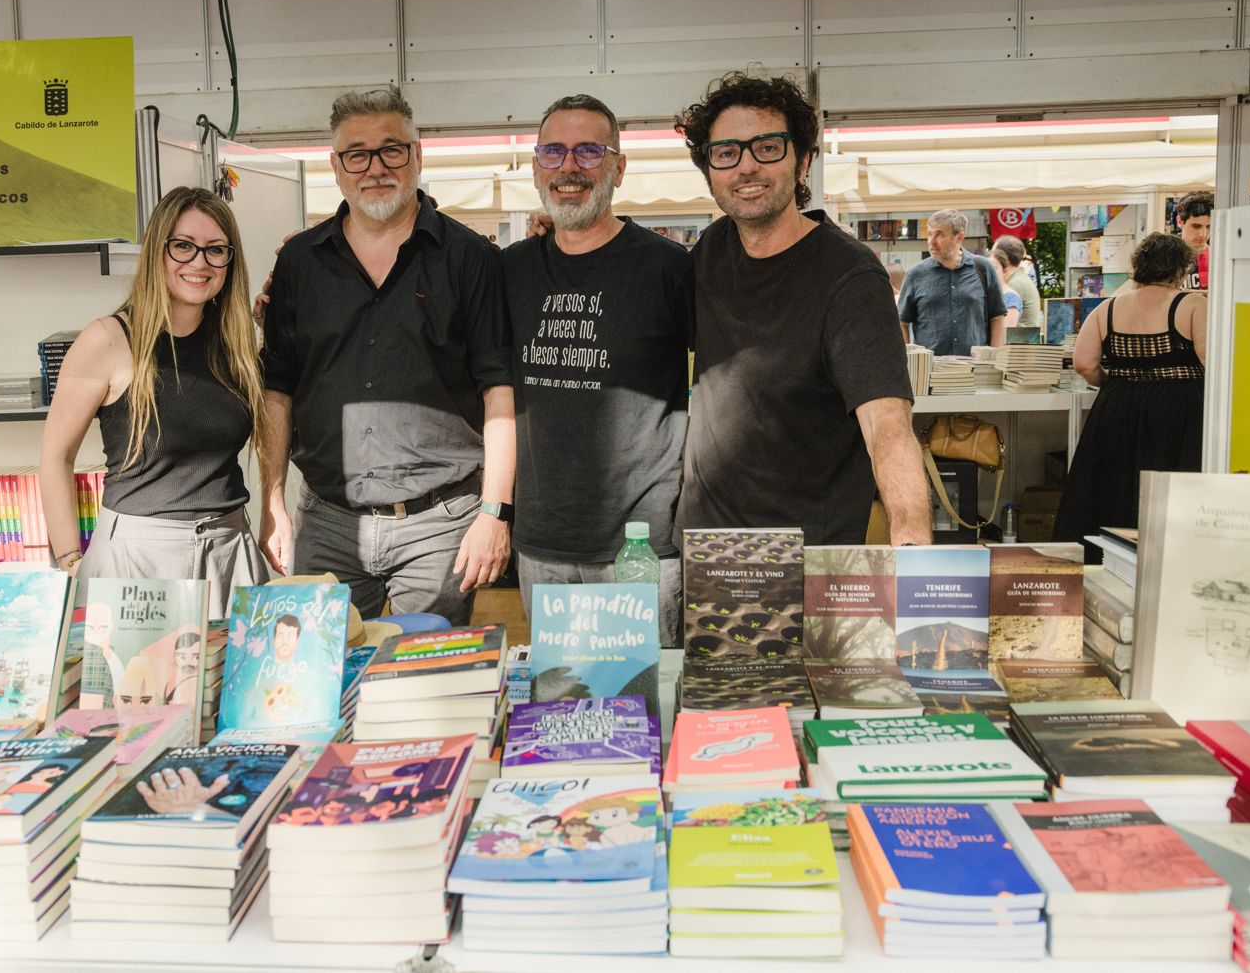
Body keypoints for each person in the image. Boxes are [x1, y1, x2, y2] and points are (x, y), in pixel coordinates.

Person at [259, 89, 514, 625]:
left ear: (417, 156)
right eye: (357, 154)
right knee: (323, 682)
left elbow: (498, 390)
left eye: (391, 150)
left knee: (430, 685)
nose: (375, 168)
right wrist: (273, 500)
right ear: (336, 166)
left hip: (441, 525)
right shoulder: (299, 264)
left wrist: (494, 511)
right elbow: (276, 388)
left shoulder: (470, 259)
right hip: (327, 523)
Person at [673, 72, 931, 547]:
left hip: (804, 555)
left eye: (767, 147)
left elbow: (887, 424)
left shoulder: (849, 276)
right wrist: (569, 237)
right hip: (707, 549)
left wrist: (912, 543)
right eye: (727, 153)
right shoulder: (712, 247)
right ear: (709, 170)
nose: (746, 167)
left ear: (803, 161)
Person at [502, 94, 692, 646]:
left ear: (618, 167)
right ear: (537, 167)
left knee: (646, 709)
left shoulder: (669, 268)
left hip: (642, 547)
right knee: (564, 708)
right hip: (542, 545)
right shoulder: (510, 270)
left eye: (588, 151)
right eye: (553, 152)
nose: (568, 167)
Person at [38, 186, 267, 622]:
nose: (199, 262)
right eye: (183, 246)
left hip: (229, 553)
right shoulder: (107, 339)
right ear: (157, 251)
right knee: (140, 690)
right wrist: (70, 559)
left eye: (215, 250)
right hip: (137, 561)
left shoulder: (237, 346)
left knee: (232, 690)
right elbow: (55, 456)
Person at [1053, 233, 1207, 557]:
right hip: (1179, 409)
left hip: (1117, 406)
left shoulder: (1107, 308)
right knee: (1169, 496)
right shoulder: (1191, 303)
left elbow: (1083, 363)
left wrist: (1118, 384)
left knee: (1113, 489)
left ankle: (1106, 563)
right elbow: (1214, 362)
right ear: (1179, 269)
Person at [897, 209, 1007, 355]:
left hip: (975, 370)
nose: (931, 242)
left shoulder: (983, 269)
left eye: (939, 234)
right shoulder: (916, 274)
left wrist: (994, 359)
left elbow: (997, 317)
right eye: (929, 234)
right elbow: (901, 322)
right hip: (931, 371)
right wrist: (907, 360)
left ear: (959, 237)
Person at [992, 234, 1042, 331]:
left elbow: (1003, 325)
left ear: (1001, 257)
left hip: (1019, 343)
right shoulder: (1019, 279)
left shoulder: (1015, 284)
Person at [1175, 190, 1214, 291]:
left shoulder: (1220, 259)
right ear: (1180, 221)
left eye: (1209, 226)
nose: (1203, 234)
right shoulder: (1164, 259)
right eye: (1196, 226)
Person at [992, 247, 1024, 326]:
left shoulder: (1011, 298)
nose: (989, 273)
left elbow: (1006, 331)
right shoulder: (988, 293)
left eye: (994, 269)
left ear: (1005, 271)